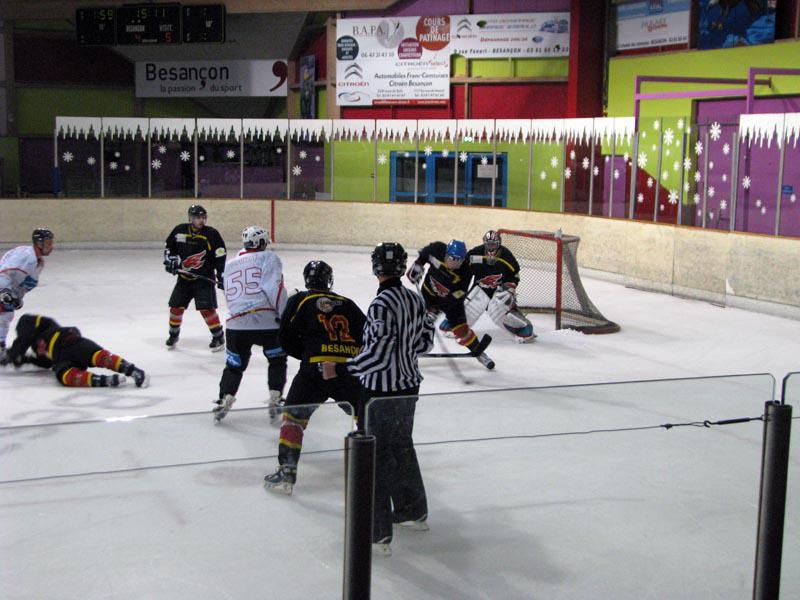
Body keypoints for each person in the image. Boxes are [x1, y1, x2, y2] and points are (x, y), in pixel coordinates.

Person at [321, 242, 435, 557]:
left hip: (381, 394)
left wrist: (342, 368)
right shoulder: (415, 299)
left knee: (374, 456)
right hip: (409, 387)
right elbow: (424, 344)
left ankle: (377, 531)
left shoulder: (381, 304)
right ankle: (413, 510)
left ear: (376, 268)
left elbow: (380, 355)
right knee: (401, 447)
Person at [263, 260, 367, 494]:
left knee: (293, 416)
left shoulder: (300, 300)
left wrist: (308, 355)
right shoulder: (347, 303)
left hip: (314, 370)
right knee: (365, 415)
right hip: (346, 369)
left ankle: (287, 469)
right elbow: (367, 334)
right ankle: (374, 465)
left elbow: (285, 336)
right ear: (329, 280)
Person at [213, 226, 287, 423]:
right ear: (262, 243)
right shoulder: (269, 258)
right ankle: (275, 396)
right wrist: (285, 316)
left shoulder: (229, 265)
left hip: (236, 325)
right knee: (277, 360)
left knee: (234, 366)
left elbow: (230, 296)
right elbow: (275, 289)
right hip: (267, 323)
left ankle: (225, 397)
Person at [407, 238, 494, 368]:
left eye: (458, 261)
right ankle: (406, 349)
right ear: (446, 254)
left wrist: (436, 310)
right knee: (415, 323)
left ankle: (480, 353)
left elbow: (456, 297)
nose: (454, 263)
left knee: (462, 331)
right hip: (428, 295)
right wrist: (418, 265)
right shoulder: (437, 250)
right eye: (452, 259)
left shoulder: (465, 272)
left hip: (451, 303)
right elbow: (425, 254)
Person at [0, 313, 148, 388]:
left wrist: (10, 355)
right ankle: (105, 381)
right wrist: (25, 359)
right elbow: (46, 363)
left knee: (96, 355)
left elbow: (22, 341)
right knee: (63, 375)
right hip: (61, 357)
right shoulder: (39, 345)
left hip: (67, 342)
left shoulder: (34, 325)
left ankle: (133, 371)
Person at [444, 230, 535, 343]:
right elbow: (463, 269)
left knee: (498, 308)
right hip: (481, 290)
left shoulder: (506, 256)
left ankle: (523, 327)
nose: (491, 248)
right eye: (488, 244)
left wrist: (510, 287)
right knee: (471, 307)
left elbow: (515, 274)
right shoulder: (476, 253)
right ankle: (456, 323)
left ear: (499, 243)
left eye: (493, 244)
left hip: (499, 290)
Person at [163, 204, 227, 351]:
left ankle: (218, 336)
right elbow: (169, 247)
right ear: (191, 218)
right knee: (175, 307)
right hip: (184, 278)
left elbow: (220, 255)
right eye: (198, 217)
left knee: (207, 309)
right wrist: (171, 260)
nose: (201, 220)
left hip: (203, 279)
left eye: (203, 217)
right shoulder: (180, 230)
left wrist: (221, 274)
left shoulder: (211, 234)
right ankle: (173, 334)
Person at [0, 228, 54, 362]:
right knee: (4, 316)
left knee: (6, 315)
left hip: (7, 290)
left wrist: (17, 298)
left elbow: (24, 284)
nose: (51, 247)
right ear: (39, 243)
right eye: (48, 243)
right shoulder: (25, 257)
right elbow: (4, 273)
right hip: (3, 288)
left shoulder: (38, 263)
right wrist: (5, 292)